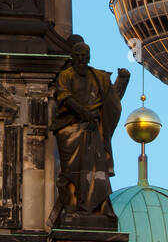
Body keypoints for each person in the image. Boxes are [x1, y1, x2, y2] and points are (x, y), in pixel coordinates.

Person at [50, 37, 128, 221]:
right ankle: (73, 205)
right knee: (69, 173)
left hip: (91, 130)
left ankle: (90, 207)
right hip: (70, 129)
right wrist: (84, 112)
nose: (81, 60)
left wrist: (122, 81)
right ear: (72, 57)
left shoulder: (99, 77)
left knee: (94, 171)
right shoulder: (66, 75)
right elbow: (64, 97)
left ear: (89, 57)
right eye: (77, 56)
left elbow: (110, 103)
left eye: (84, 56)